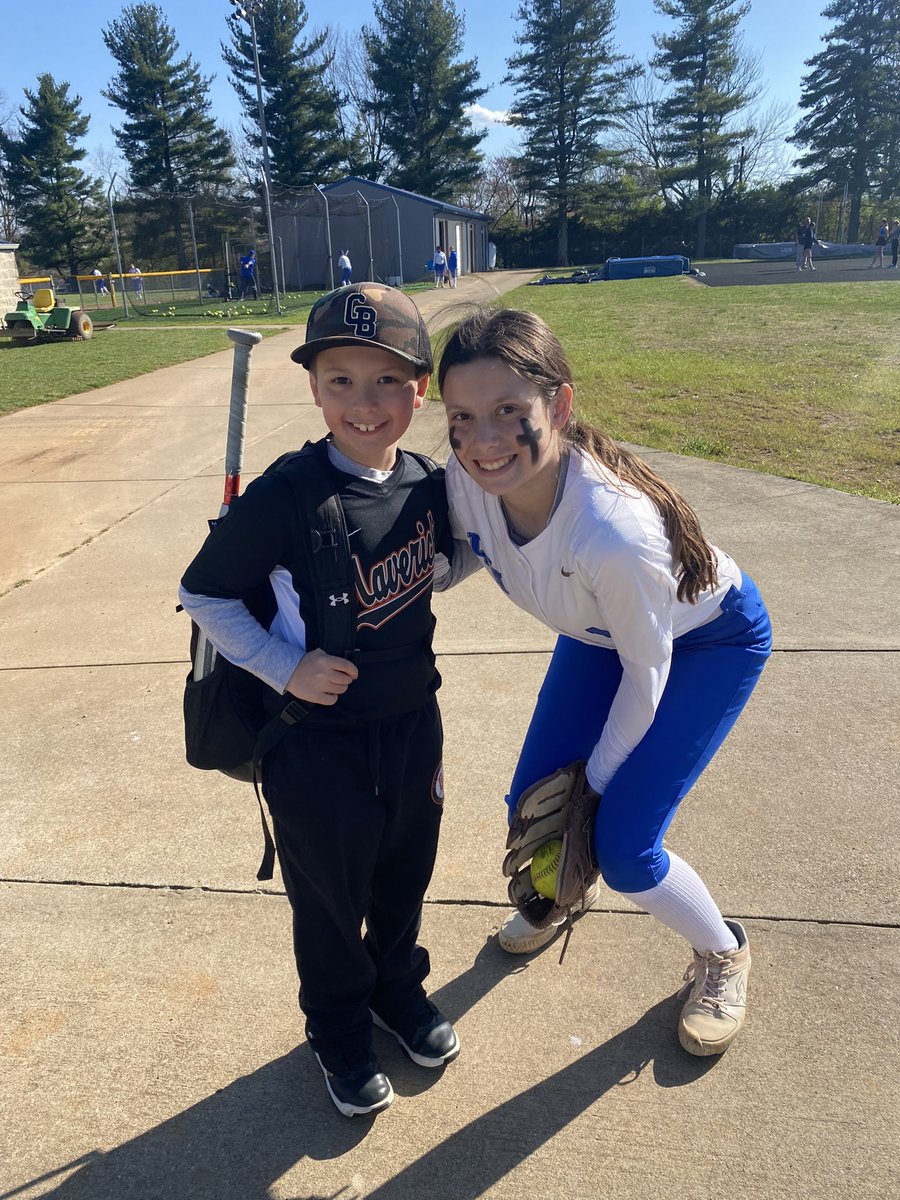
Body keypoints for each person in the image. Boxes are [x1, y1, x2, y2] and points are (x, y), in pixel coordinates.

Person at [438, 308, 772, 1058]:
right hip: (599, 632)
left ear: (558, 405)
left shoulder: (613, 533)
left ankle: (723, 954)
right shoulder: (467, 481)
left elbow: (646, 678)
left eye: (507, 413)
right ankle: (558, 892)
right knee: (534, 807)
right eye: (462, 416)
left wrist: (594, 784)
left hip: (705, 643)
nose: (483, 440)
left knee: (622, 845)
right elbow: (459, 555)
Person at [180, 284, 463, 1118]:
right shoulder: (285, 492)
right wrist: (282, 666)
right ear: (313, 388)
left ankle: (395, 991)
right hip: (314, 740)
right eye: (340, 380)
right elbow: (205, 592)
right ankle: (337, 1023)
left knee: (404, 876)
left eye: (385, 383)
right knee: (331, 898)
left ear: (419, 392)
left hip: (412, 724)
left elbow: (448, 564)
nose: (363, 403)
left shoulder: (427, 484)